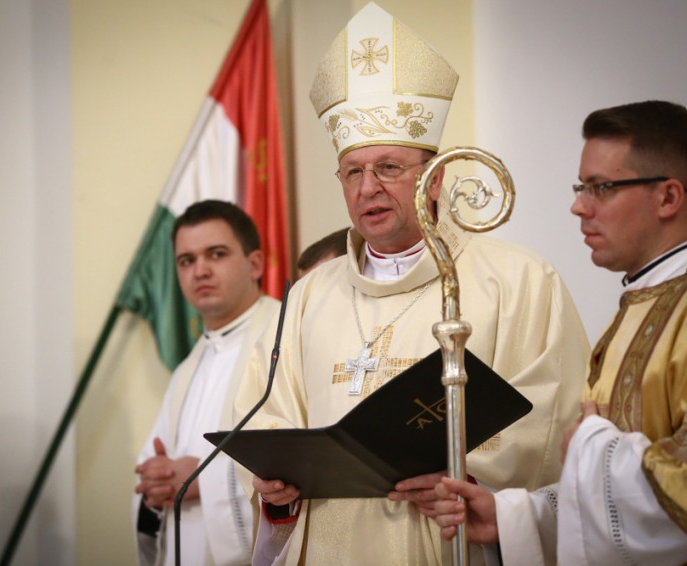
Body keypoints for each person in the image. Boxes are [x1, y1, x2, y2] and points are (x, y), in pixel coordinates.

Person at [232, 3, 590, 565]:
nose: (367, 188)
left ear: (436, 179)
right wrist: (273, 487)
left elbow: (550, 421)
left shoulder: (518, 281)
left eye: (389, 168)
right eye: (353, 171)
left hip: (443, 541)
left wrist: (472, 477)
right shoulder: (308, 297)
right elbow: (267, 413)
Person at [434, 100, 687, 566]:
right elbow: (611, 500)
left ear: (668, 198)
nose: (578, 206)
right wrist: (515, 518)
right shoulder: (643, 301)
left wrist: (590, 444)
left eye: (601, 187)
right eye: (581, 187)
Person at [133, 199, 281, 566]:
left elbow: (301, 457)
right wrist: (155, 483)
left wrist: (203, 481)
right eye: (186, 260)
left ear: (255, 264)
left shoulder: (285, 338)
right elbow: (155, 465)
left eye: (216, 254)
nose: (200, 270)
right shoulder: (188, 367)